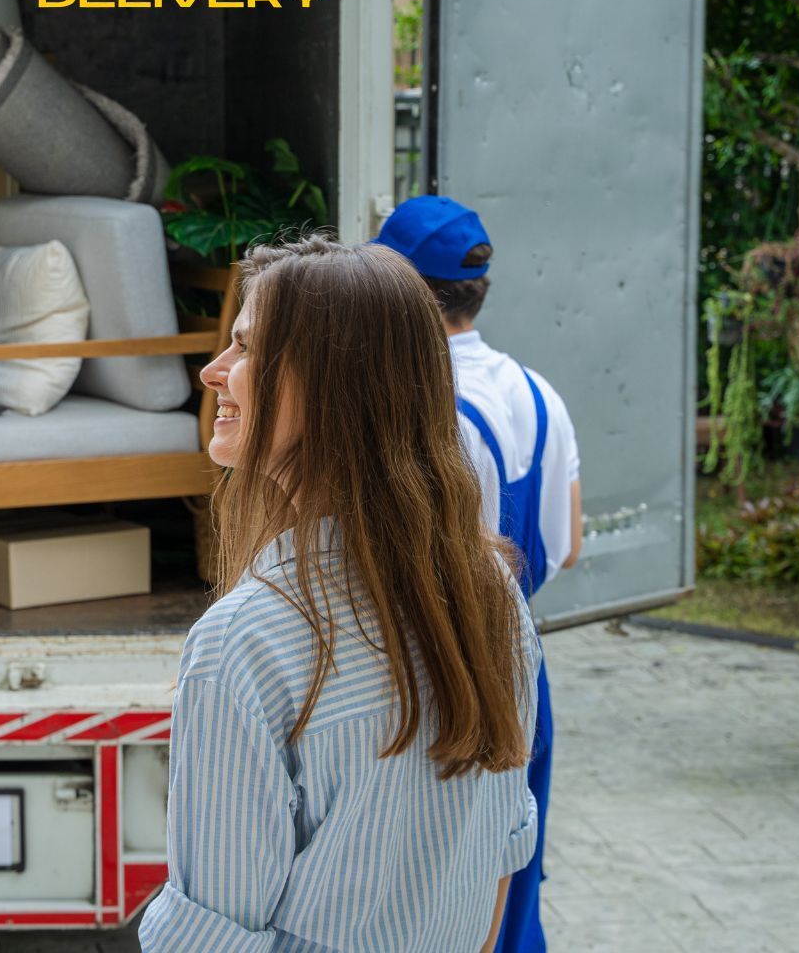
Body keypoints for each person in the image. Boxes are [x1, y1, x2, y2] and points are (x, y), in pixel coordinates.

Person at [140, 236, 539, 952]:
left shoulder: (246, 643)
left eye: (246, 348)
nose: (213, 372)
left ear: (328, 384)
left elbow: (212, 941)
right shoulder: (496, 598)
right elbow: (497, 872)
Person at [375, 195, 583, 953]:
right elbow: (568, 544)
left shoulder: (419, 411)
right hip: (526, 674)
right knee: (515, 879)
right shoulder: (540, 393)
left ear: (401, 287)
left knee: (440, 900)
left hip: (441, 678)